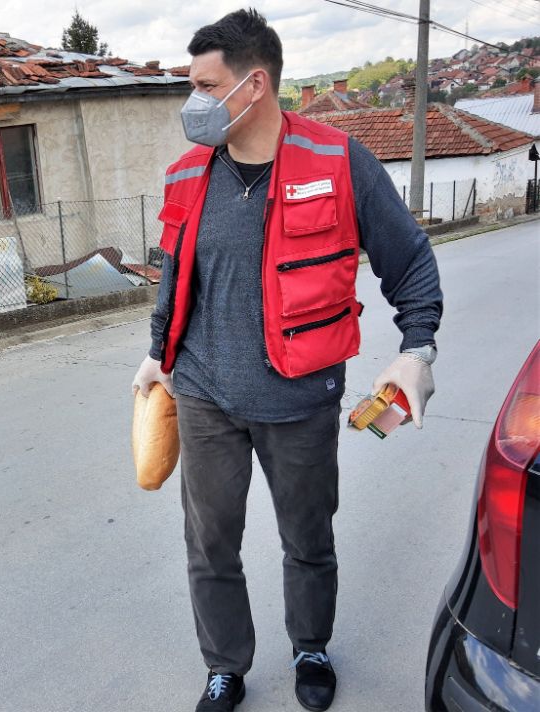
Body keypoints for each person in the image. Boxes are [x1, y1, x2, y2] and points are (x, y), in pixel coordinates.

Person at [131, 8, 442, 712]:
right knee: (210, 545)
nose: (193, 103)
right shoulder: (187, 175)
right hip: (205, 398)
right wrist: (157, 354)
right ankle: (225, 666)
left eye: (206, 87)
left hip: (300, 399)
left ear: (256, 85)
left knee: (308, 539)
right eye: (191, 86)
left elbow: (410, 261)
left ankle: (310, 648)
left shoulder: (339, 163)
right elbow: (176, 276)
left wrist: (416, 348)